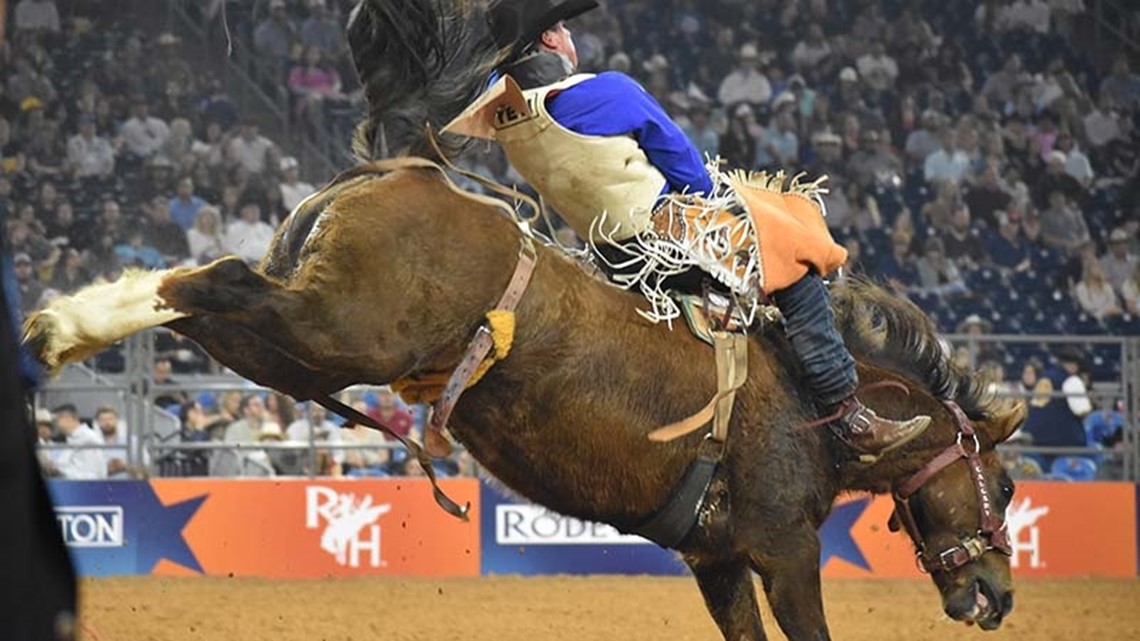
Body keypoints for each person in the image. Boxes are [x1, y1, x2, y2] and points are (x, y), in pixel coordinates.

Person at [446, 0, 930, 458]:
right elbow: (692, 176)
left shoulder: (507, 116)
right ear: (550, 38)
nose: (571, 36)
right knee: (796, 260)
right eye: (564, 28)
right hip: (665, 244)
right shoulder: (606, 91)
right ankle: (847, 414)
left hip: (607, 255)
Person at [1022, 348, 1092, 466]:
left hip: (1035, 438)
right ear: (1074, 365)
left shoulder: (1044, 377)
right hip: (1062, 441)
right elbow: (1082, 410)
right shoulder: (1071, 379)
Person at [47, 404, 106, 479]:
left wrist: (59, 470)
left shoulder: (89, 440)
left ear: (67, 418)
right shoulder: (72, 440)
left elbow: (93, 476)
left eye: (56, 420)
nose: (55, 424)